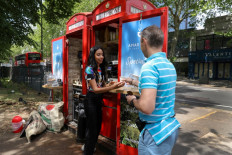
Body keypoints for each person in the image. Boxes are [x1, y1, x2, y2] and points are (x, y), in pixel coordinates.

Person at [125, 25, 180, 155]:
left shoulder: (149, 66)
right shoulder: (169, 65)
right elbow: (158, 86)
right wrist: (133, 82)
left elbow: (146, 107)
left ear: (144, 41)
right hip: (169, 128)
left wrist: (132, 100)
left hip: (155, 134)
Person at [83, 46, 125, 155]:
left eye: (102, 54)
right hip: (91, 100)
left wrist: (113, 84)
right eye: (98, 54)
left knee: (97, 128)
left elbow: (101, 84)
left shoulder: (99, 68)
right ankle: (87, 151)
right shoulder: (89, 69)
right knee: (92, 129)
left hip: (98, 101)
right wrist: (111, 88)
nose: (101, 57)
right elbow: (96, 89)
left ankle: (90, 148)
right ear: (93, 56)